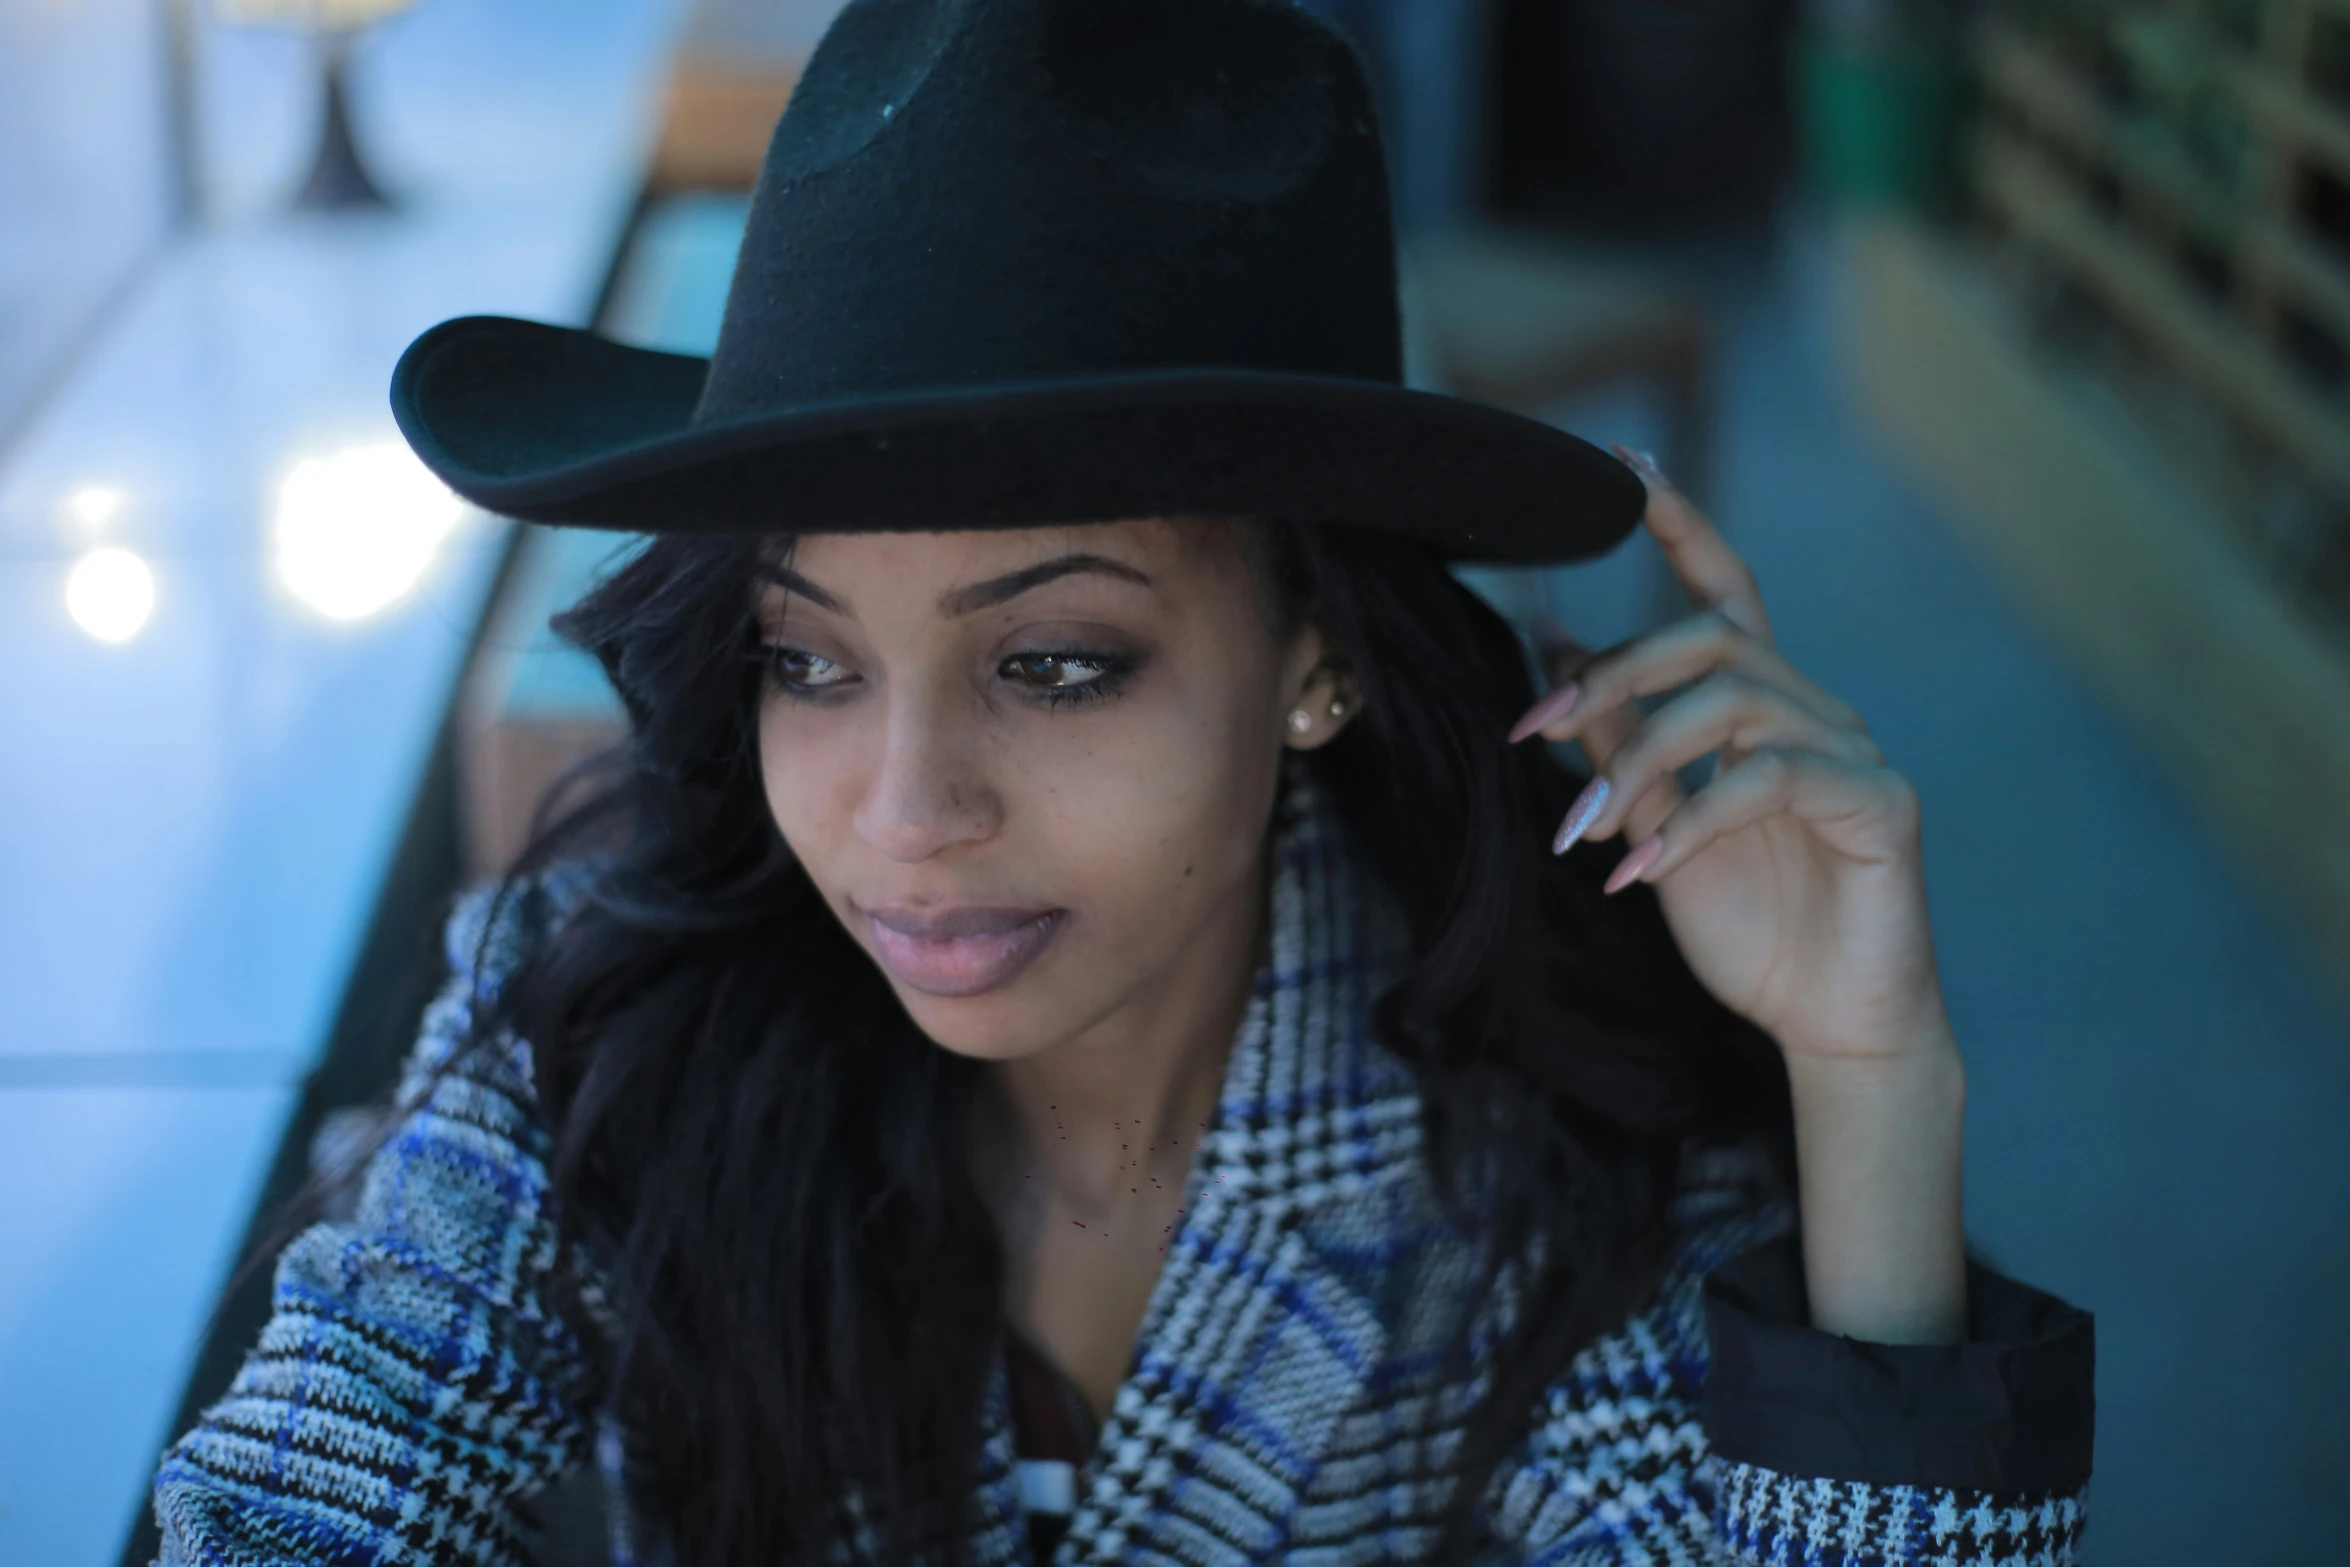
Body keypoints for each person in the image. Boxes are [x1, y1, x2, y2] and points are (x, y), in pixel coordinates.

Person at [150, 1, 2093, 1563]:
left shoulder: (1522, 1132)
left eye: (1053, 665)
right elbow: (316, 1482)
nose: (904, 811)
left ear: (1315, 653)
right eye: (805, 659)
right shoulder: (589, 1003)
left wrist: (1868, 1077)